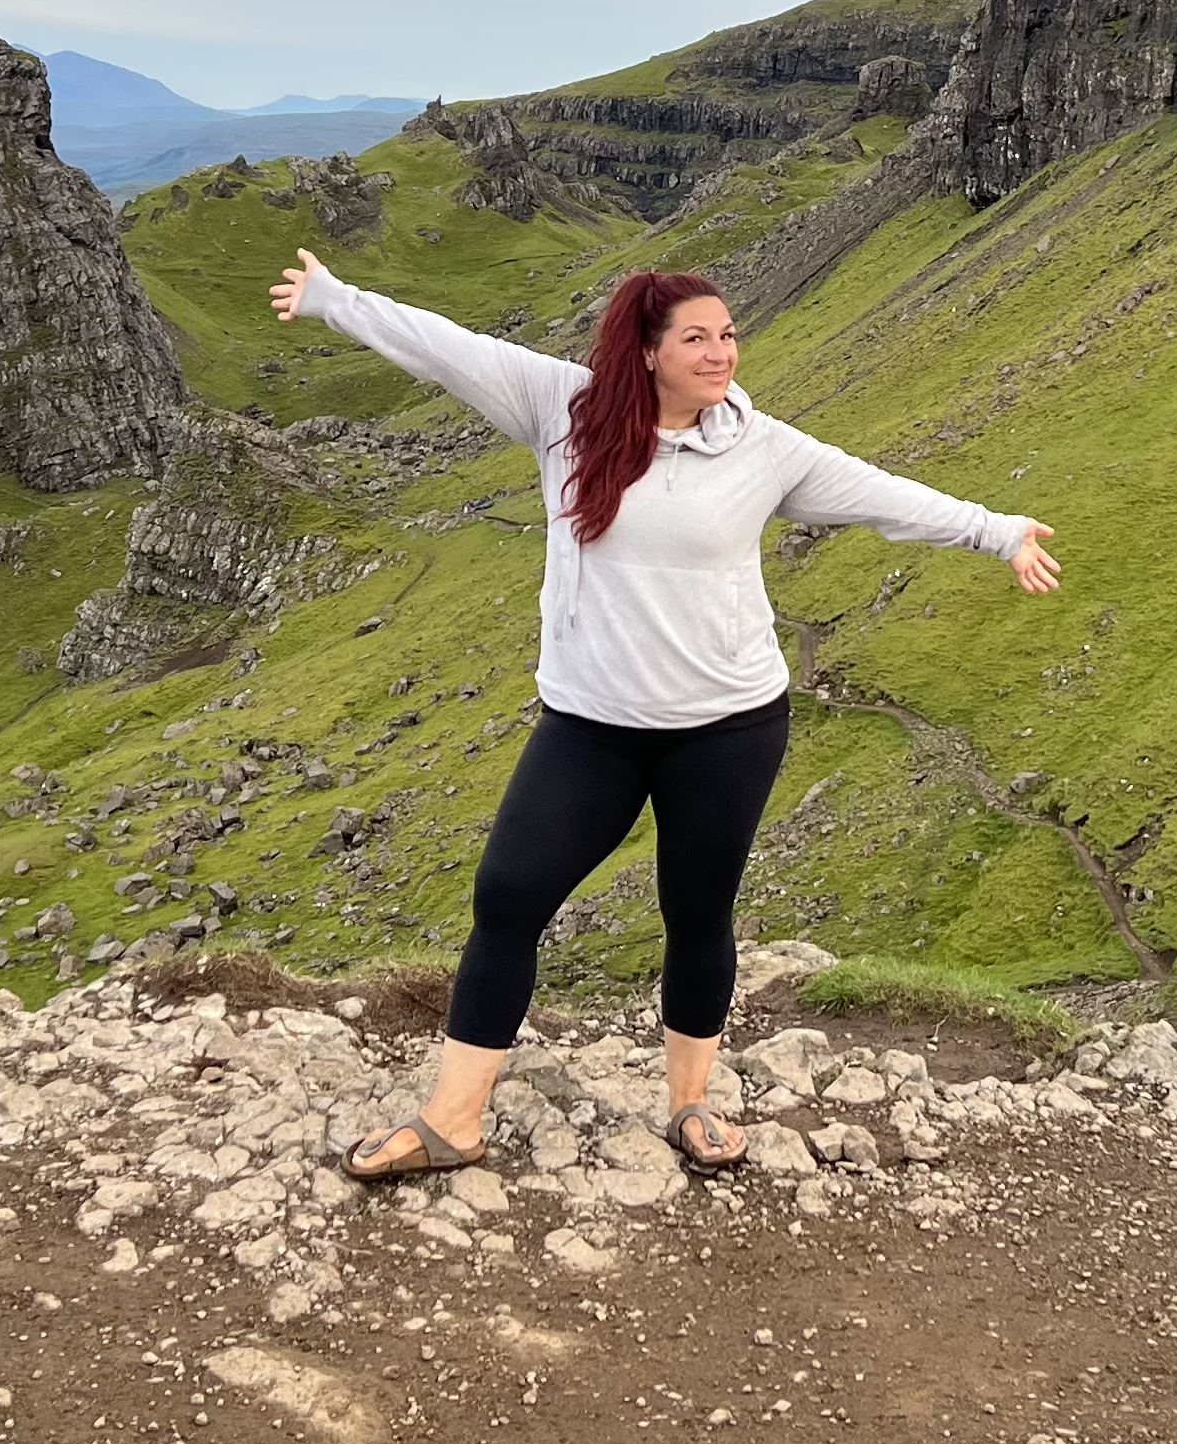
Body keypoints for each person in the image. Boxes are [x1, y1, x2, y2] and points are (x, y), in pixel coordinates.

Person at [267, 246, 1058, 1177]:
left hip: (727, 728)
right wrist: (332, 300)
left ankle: (691, 1107)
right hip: (591, 727)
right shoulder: (563, 408)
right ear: (646, 349)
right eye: (697, 338)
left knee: (697, 913)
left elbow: (881, 494)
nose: (721, 353)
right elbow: (448, 347)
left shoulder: (766, 449)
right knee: (509, 898)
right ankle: (453, 1120)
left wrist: (996, 531)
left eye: (728, 336)